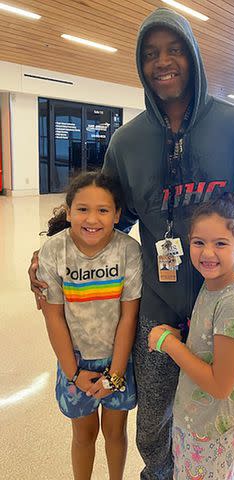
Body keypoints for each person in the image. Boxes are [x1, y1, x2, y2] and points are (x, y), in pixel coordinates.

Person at [29, 7, 234, 480]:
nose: (162, 61)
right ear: (141, 66)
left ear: (193, 56)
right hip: (157, 310)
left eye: (174, 49)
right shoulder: (127, 142)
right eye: (150, 54)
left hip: (224, 306)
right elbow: (106, 217)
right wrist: (51, 250)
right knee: (151, 428)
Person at [37, 171, 142, 480]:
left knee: (115, 432)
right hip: (75, 361)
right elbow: (53, 317)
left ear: (118, 214)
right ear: (68, 212)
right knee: (83, 435)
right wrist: (73, 373)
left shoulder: (128, 251)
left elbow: (129, 317)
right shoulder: (53, 251)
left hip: (119, 361)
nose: (92, 219)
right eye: (82, 209)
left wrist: (116, 375)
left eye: (103, 210)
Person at [149, 195, 234, 479]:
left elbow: (220, 385)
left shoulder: (233, 303)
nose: (207, 253)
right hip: (195, 421)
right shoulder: (213, 285)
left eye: (220, 243)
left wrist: (170, 345)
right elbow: (209, 345)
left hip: (210, 430)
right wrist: (180, 335)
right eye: (199, 242)